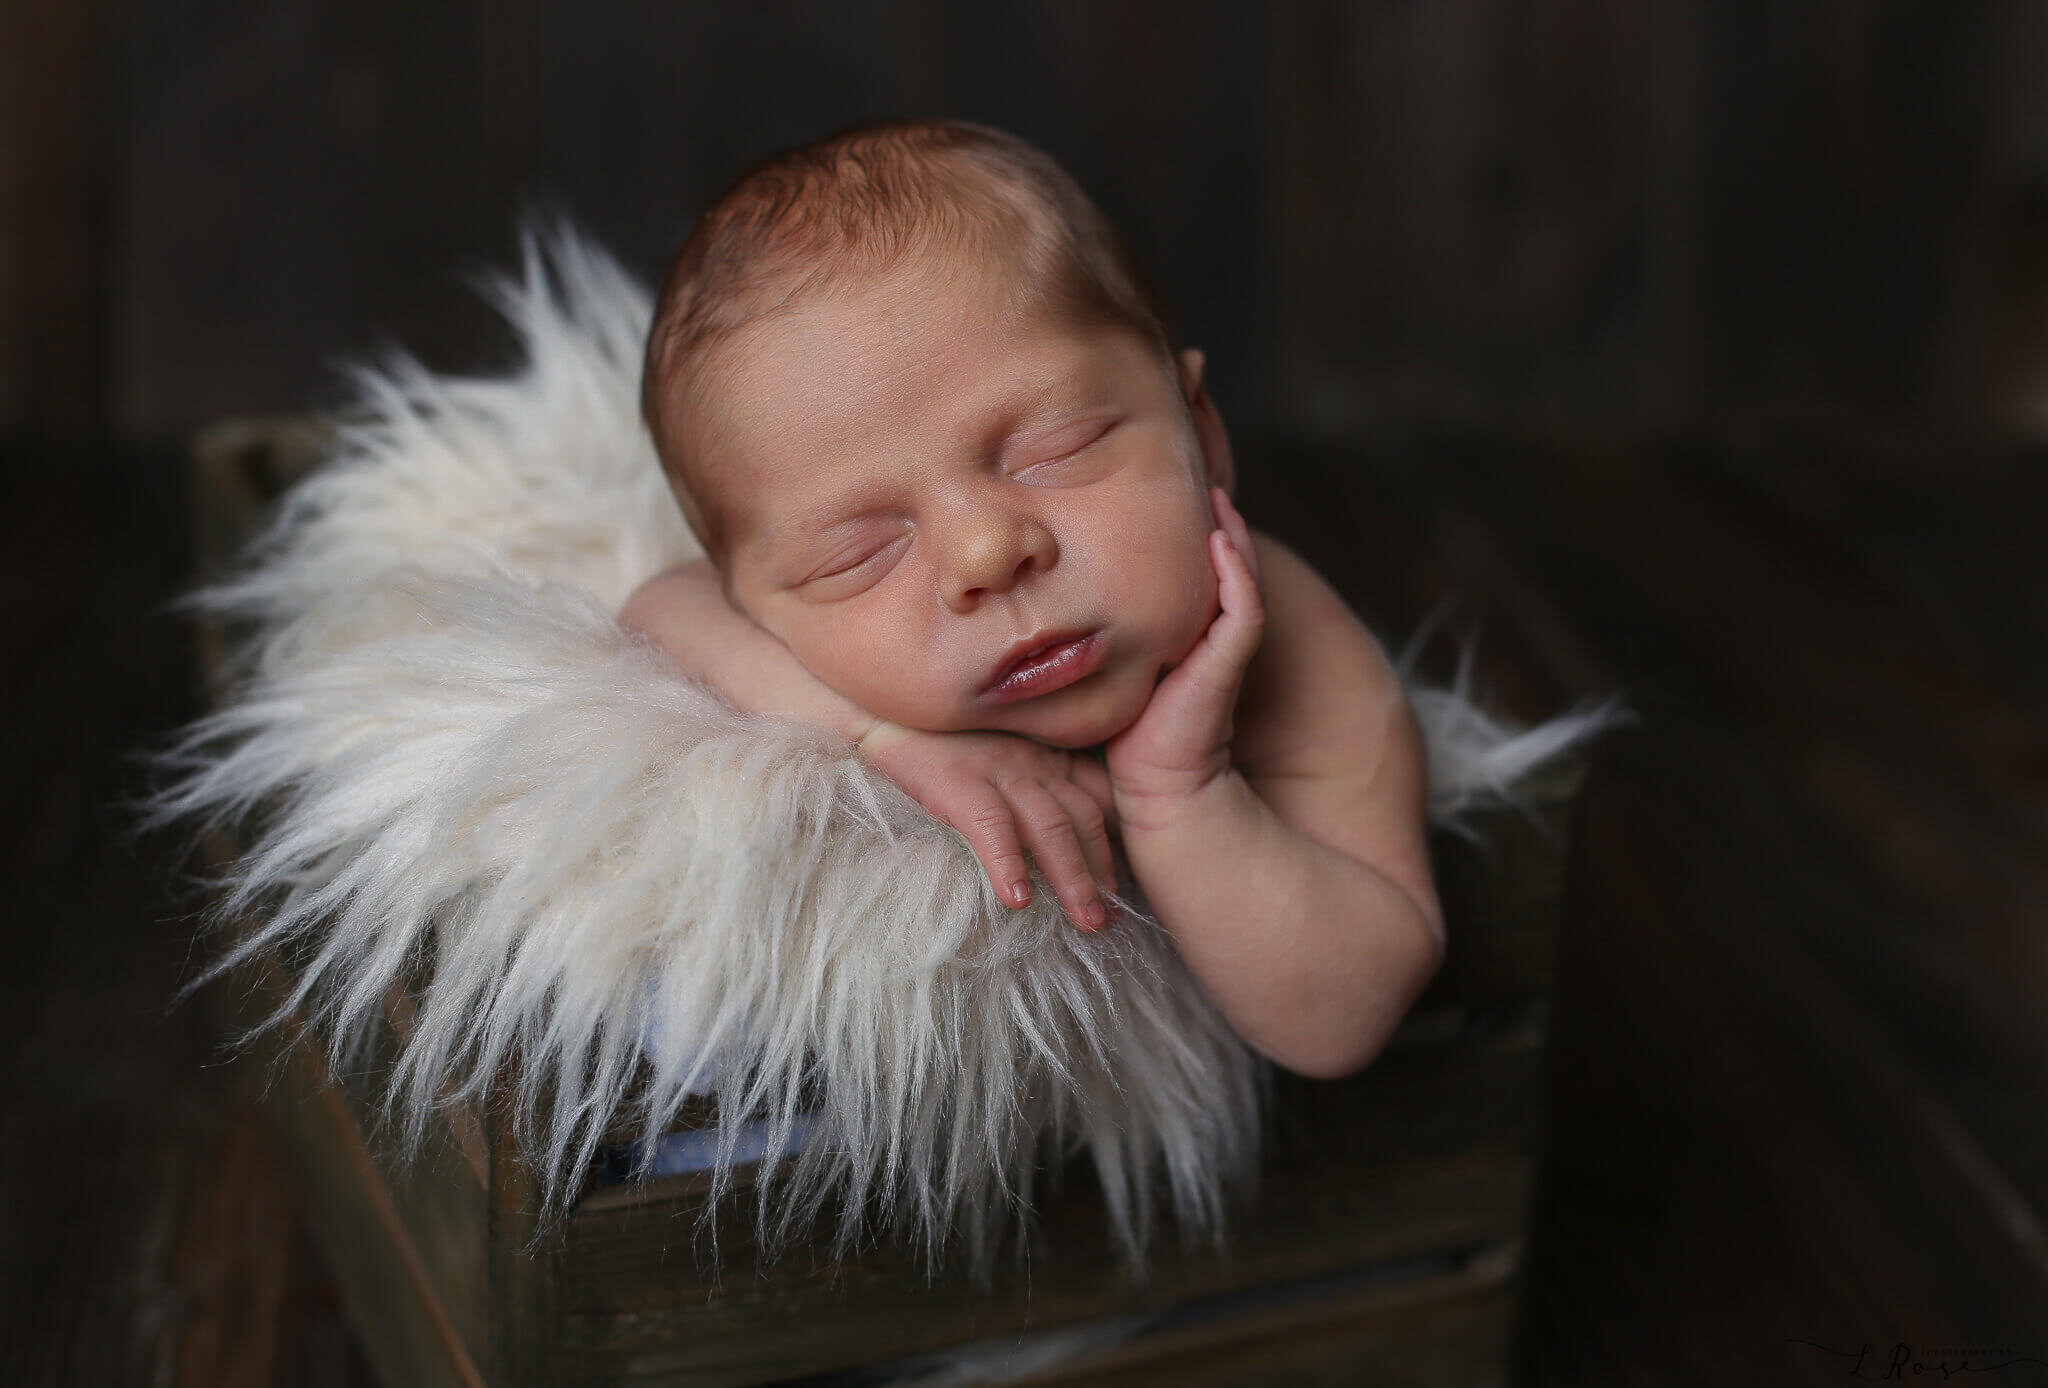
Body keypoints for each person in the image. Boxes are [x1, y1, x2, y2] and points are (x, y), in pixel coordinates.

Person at [620, 121, 1441, 1079]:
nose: (988, 550)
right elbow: (661, 608)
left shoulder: (1298, 650)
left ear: (1201, 431)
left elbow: (1346, 1012)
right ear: (760, 605)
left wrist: (1182, 792)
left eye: (1057, 448)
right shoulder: (764, 624)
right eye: (860, 554)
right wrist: (879, 738)